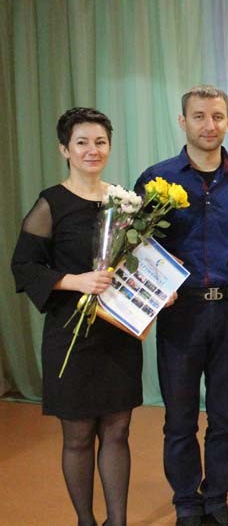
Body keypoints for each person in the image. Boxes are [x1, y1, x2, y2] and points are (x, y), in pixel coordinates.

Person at [135, 85, 228, 526]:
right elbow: (137, 247)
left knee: (226, 417)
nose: (210, 125)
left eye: (218, 116)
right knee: (180, 419)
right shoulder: (156, 181)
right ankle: (187, 503)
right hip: (180, 313)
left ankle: (217, 500)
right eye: (199, 116)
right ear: (182, 121)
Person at [11, 107, 142, 526]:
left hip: (117, 333)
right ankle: (86, 521)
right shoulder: (52, 203)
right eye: (82, 142)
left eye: (100, 142)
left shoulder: (124, 202)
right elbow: (24, 267)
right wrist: (74, 281)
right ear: (64, 149)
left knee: (118, 431)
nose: (92, 150)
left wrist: (159, 292)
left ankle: (117, 522)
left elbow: (138, 262)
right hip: (69, 334)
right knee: (79, 436)